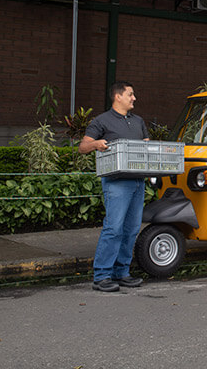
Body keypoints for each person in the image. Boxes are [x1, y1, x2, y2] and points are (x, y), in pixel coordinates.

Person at [79, 81, 150, 292]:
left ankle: (122, 273)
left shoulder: (138, 121)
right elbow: (83, 147)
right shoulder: (102, 121)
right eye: (131, 94)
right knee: (114, 228)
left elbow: (146, 145)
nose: (134, 98)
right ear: (118, 96)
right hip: (117, 184)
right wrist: (96, 144)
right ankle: (101, 276)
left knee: (131, 230)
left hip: (138, 181)